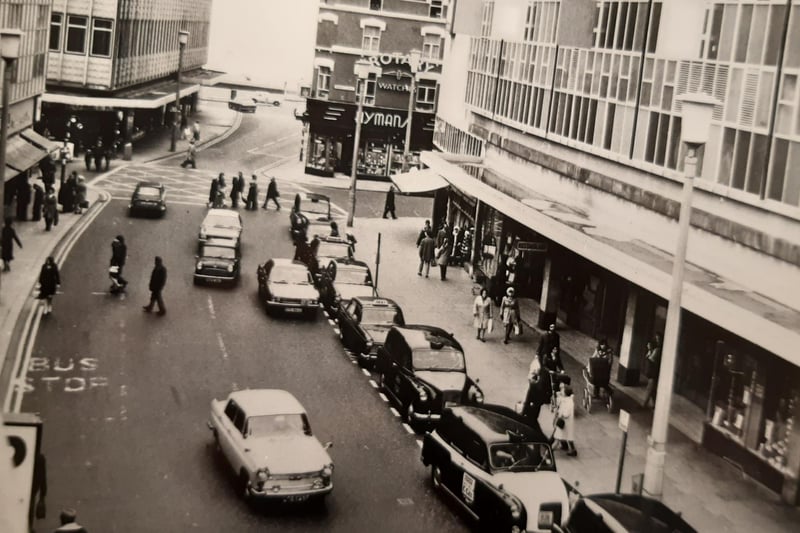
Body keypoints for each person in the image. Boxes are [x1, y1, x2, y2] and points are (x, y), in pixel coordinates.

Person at [553, 384, 577, 456]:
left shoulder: (568, 402)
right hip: (567, 423)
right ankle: (573, 450)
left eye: (562, 391)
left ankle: (549, 452)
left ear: (566, 393)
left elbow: (566, 414)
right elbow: (559, 401)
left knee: (558, 438)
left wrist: (560, 414)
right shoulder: (566, 400)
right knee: (569, 437)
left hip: (565, 423)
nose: (561, 391)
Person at [642, 340, 660, 409]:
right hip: (650, 373)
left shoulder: (655, 352)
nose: (647, 346)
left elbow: (651, 359)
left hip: (653, 374)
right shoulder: (650, 352)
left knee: (649, 389)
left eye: (648, 345)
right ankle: (655, 404)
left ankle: (644, 405)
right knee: (652, 391)